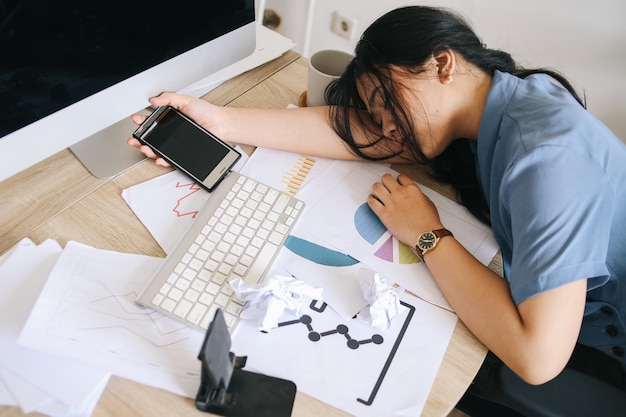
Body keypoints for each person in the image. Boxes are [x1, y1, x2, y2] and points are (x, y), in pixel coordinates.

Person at [128, 5, 626, 415]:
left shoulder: (545, 160)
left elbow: (538, 359)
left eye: (387, 102)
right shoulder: (499, 102)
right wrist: (216, 120)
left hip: (601, 351)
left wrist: (428, 235)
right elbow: (355, 132)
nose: (385, 127)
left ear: (442, 64)